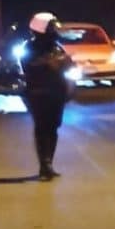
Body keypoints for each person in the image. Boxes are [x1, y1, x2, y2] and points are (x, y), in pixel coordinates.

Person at [21, 12, 76, 181]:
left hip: (56, 92)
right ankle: (44, 166)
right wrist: (53, 63)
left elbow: (67, 65)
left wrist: (64, 65)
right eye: (51, 27)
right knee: (42, 128)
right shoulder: (30, 47)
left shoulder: (56, 46)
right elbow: (31, 66)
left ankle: (49, 164)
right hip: (38, 93)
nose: (55, 30)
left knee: (53, 128)